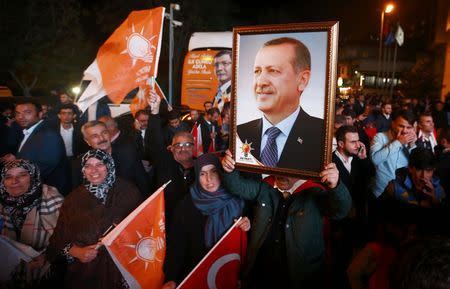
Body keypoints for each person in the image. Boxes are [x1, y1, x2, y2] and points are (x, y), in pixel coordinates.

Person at [221, 150, 352, 289]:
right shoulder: (265, 186)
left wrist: (336, 186)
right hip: (261, 273)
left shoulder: (315, 192)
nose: (280, 175)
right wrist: (228, 170)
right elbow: (236, 186)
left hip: (299, 278)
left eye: (286, 168)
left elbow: (341, 210)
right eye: (277, 168)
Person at [45, 149, 142, 289]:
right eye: (88, 166)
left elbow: (145, 228)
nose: (93, 170)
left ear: (109, 166)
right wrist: (76, 251)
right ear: (83, 170)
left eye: (100, 164)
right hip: (87, 274)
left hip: (124, 272)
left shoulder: (129, 191)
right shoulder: (73, 200)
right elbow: (57, 240)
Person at [161, 153, 250, 289]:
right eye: (202, 174)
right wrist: (171, 278)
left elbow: (247, 245)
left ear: (221, 172)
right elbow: (176, 246)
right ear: (197, 176)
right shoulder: (185, 205)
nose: (209, 179)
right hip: (197, 276)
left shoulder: (238, 200)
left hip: (231, 276)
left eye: (213, 172)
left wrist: (247, 226)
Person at [236, 37, 324, 172]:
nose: (260, 82)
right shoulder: (239, 134)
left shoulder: (322, 134)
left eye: (273, 71)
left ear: (302, 80)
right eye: (257, 71)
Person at [0, 159, 64, 287]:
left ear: (33, 177)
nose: (14, 181)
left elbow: (66, 237)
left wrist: (47, 256)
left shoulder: (51, 198)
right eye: (8, 177)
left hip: (47, 266)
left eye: (22, 175)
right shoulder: (3, 201)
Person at [1, 101, 70, 195]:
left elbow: (46, 165)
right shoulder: (31, 129)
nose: (21, 117)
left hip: (47, 191)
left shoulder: (48, 133)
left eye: (27, 112)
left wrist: (18, 181)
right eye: (18, 113)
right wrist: (16, 158)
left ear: (40, 114)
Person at [73, 120, 149, 196]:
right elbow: (79, 194)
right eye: (95, 136)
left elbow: (143, 183)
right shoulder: (81, 163)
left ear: (109, 134)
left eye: (104, 133)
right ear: (87, 141)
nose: (102, 138)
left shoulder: (128, 153)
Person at [370, 110, 417, 198]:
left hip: (402, 193)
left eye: (409, 127)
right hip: (380, 191)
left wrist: (412, 146)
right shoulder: (379, 137)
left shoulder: (410, 141)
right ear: (393, 124)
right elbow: (375, 160)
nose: (405, 131)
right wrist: (398, 142)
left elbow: (415, 167)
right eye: (401, 126)